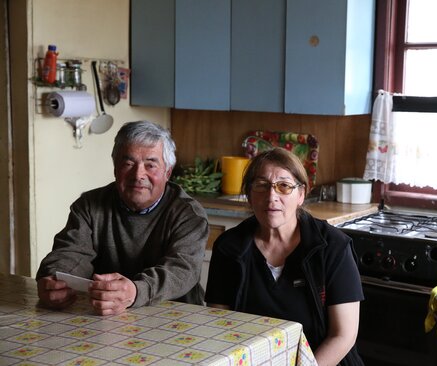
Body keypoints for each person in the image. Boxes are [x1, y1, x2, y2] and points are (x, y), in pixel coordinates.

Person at [205, 147, 364, 366]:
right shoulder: (229, 247)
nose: (272, 196)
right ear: (249, 195)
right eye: (261, 185)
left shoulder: (333, 246)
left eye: (284, 186)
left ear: (301, 194)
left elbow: (343, 336)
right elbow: (219, 324)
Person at [36, 120, 209, 316]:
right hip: (106, 316)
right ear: (115, 168)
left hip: (174, 317)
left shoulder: (188, 214)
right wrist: (56, 279)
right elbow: (70, 253)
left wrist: (136, 291)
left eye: (151, 165)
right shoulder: (89, 205)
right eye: (128, 164)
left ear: (167, 172)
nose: (138, 175)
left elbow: (182, 270)